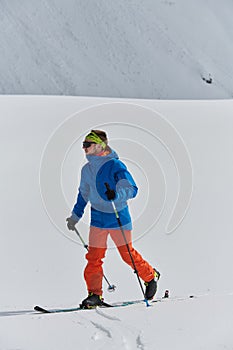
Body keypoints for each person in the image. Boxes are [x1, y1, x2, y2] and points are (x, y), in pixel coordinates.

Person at [66, 130, 160, 308]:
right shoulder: (86, 170)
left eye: (88, 144)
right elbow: (83, 194)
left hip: (118, 218)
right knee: (94, 258)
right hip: (98, 220)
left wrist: (116, 194)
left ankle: (150, 276)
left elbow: (132, 189)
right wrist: (75, 216)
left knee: (127, 255)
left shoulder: (115, 165)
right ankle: (94, 295)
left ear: (100, 146)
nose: (84, 148)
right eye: (83, 145)